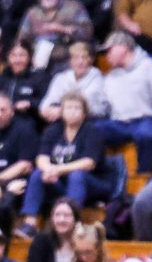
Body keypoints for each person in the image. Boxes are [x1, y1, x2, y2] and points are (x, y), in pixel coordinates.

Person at [17, 91, 115, 237]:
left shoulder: (92, 131)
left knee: (77, 176)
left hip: (94, 183)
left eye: (77, 108)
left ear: (84, 112)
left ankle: (71, 223)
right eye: (68, 108)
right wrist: (49, 169)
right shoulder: (53, 130)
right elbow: (41, 158)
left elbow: (89, 163)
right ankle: (30, 223)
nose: (72, 112)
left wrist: (58, 169)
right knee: (38, 174)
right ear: (62, 111)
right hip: (62, 181)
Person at [96, 31, 152, 174]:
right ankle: (104, 176)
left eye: (109, 50)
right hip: (119, 123)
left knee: (146, 133)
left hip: (147, 120)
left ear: (123, 47)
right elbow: (102, 105)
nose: (107, 55)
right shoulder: (111, 76)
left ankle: (143, 177)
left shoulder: (149, 67)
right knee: (94, 130)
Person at [17, 0, 92, 72]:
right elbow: (22, 39)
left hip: (67, 61)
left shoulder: (74, 8)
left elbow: (87, 33)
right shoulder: (32, 13)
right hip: (39, 62)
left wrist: (63, 29)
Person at [39, 41, 108, 122]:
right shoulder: (61, 78)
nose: (80, 62)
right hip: (62, 121)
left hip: (89, 122)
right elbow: (45, 105)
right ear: (70, 61)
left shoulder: (98, 79)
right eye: (76, 58)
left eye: (84, 57)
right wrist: (48, 111)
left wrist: (61, 111)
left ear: (90, 60)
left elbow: (90, 107)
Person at [0, 40, 48, 125]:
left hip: (26, 120)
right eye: (13, 55)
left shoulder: (39, 77)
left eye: (22, 55)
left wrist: (30, 103)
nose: (17, 60)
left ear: (29, 57)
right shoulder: (1, 76)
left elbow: (46, 101)